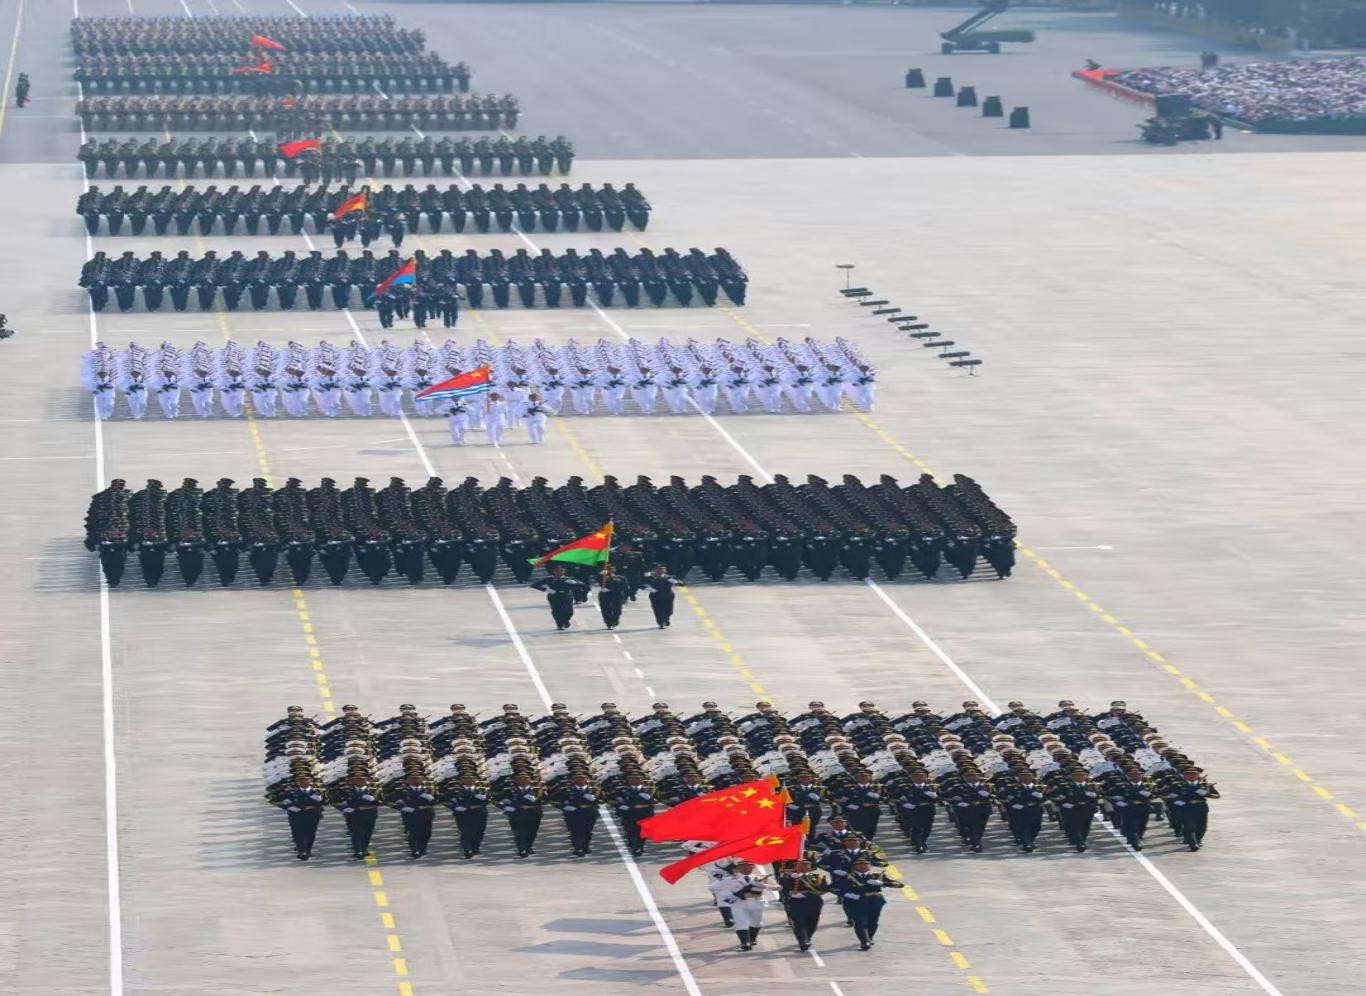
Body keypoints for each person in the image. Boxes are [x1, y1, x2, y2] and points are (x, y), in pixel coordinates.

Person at [840, 858, 903, 950]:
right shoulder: (848, 877)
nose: (862, 866)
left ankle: (869, 937)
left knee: (873, 921)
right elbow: (838, 889)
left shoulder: (876, 876)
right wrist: (851, 896)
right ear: (855, 866)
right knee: (860, 921)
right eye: (859, 865)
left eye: (865, 864)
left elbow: (899, 884)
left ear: (869, 866)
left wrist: (882, 883)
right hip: (857, 902)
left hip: (875, 901)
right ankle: (864, 942)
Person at [717, 860, 780, 951]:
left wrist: (764, 885)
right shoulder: (730, 878)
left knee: (756, 923)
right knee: (741, 922)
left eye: (748, 865)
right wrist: (730, 897)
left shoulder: (761, 878)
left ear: (753, 866)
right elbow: (718, 888)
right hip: (739, 903)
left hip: (756, 902)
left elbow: (778, 887)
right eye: (742, 866)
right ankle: (745, 943)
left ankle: (752, 939)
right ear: (738, 867)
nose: (745, 867)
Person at [779, 858, 830, 951]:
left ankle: (807, 937)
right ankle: (803, 941)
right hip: (797, 902)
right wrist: (793, 892)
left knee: (812, 922)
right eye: (800, 864)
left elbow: (824, 888)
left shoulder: (817, 877)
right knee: (799, 922)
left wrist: (811, 893)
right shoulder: (789, 877)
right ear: (796, 866)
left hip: (814, 902)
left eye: (806, 865)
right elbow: (783, 890)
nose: (803, 867)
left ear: (810, 867)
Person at [333, 773, 381, 860]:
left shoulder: (373, 790)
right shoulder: (346, 791)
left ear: (366, 780)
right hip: (354, 815)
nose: (359, 781)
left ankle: (364, 849)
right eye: (356, 779)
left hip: (369, 814)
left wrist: (374, 800)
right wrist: (343, 809)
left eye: (362, 779)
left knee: (367, 833)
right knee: (356, 833)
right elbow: (335, 801)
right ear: (352, 781)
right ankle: (358, 851)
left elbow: (382, 801)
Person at [552, 772, 601, 857]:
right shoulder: (565, 790)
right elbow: (553, 800)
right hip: (573, 814)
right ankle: (577, 848)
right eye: (578, 778)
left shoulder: (594, 790)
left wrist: (594, 801)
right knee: (575, 832)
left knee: (587, 832)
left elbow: (602, 800)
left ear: (587, 780)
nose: (580, 780)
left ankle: (585, 847)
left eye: (583, 778)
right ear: (574, 780)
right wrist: (564, 807)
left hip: (589, 814)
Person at [497, 773, 544, 858]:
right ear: (516, 781)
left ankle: (528, 846)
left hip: (533, 814)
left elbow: (544, 800)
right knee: (519, 833)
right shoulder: (509, 791)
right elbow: (498, 801)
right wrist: (508, 808)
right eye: (520, 778)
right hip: (516, 814)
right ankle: (522, 849)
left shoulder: (537, 790)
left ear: (530, 780)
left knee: (532, 832)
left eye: (526, 778)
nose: (523, 780)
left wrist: (534, 803)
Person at [281, 775, 325, 861]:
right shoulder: (290, 792)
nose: (303, 782)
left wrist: (318, 799)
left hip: (312, 814)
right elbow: (285, 802)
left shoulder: (317, 791)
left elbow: (324, 802)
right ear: (297, 782)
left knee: (310, 833)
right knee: (298, 833)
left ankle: (308, 850)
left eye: (305, 779)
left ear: (310, 780)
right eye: (300, 780)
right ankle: (302, 851)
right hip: (297, 815)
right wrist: (290, 807)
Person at [444, 773, 489, 858]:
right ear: (461, 780)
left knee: (479, 832)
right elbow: (445, 800)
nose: (469, 780)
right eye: (466, 778)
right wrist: (454, 807)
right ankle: (467, 850)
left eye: (472, 778)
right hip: (463, 814)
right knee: (466, 832)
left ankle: (475, 848)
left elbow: (491, 799)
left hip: (479, 814)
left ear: (475, 780)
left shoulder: (482, 790)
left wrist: (485, 798)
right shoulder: (455, 791)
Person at [393, 773, 436, 859]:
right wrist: (403, 808)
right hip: (411, 815)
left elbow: (438, 799)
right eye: (413, 778)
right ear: (408, 780)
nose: (415, 780)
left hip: (426, 814)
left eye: (418, 778)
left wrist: (432, 800)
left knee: (426, 833)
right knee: (413, 833)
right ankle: (415, 850)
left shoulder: (429, 789)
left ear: (422, 779)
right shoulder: (402, 791)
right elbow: (394, 801)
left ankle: (422, 848)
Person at [531, 564, 586, 630]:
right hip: (554, 596)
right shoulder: (549, 579)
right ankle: (560, 625)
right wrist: (549, 590)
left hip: (566, 596)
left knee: (569, 611)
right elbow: (534, 585)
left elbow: (582, 584)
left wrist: (574, 583)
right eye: (557, 571)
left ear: (564, 571)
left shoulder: (569, 579)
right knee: (556, 611)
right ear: (554, 571)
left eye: (561, 570)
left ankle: (565, 621)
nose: (559, 572)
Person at [642, 564, 681, 628]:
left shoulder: (668, 578)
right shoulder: (650, 577)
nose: (660, 570)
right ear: (655, 570)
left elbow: (678, 583)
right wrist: (651, 590)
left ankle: (666, 618)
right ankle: (661, 623)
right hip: (655, 596)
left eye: (662, 569)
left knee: (669, 610)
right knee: (657, 610)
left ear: (665, 570)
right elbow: (643, 585)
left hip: (667, 596)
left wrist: (678, 582)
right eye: (658, 569)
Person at [596, 564, 630, 630]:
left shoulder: (621, 578)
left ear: (614, 569)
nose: (610, 570)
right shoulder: (603, 577)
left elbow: (625, 587)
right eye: (608, 568)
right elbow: (598, 579)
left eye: (612, 568)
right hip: (605, 595)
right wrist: (601, 575)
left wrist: (625, 598)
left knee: (617, 610)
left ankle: (615, 620)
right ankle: (609, 623)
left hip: (617, 595)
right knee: (606, 610)